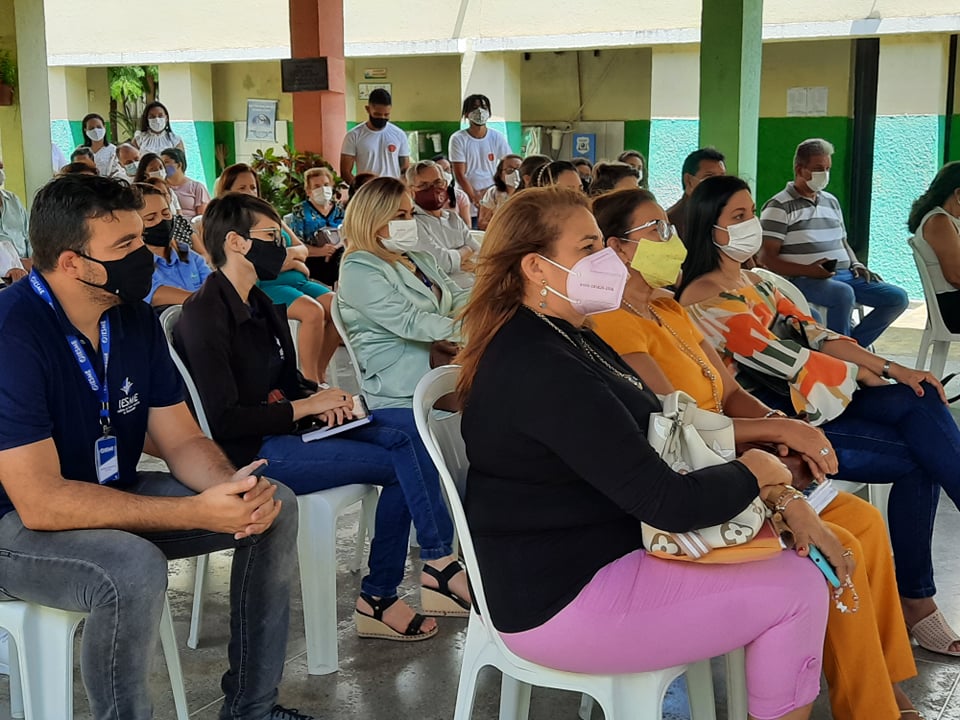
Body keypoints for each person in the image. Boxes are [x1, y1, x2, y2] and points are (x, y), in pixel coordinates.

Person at [456, 185, 831, 720]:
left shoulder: (564, 334)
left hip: (598, 551)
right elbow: (667, 502)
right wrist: (758, 471)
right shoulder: (541, 364)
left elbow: (662, 430)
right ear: (536, 268)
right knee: (798, 590)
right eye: (588, 248)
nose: (607, 259)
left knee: (794, 565)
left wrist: (777, 491)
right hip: (559, 598)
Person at [591, 187, 921, 719]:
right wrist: (773, 438)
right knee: (839, 545)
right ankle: (872, 707)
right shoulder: (611, 321)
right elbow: (673, 423)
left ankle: (881, 686)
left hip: (736, 451)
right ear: (618, 247)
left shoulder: (666, 307)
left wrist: (777, 427)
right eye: (656, 230)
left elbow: (729, 392)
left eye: (669, 228)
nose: (671, 240)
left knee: (864, 522)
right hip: (697, 471)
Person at [0, 174, 313, 720]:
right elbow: (41, 501)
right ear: (72, 263)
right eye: (124, 245)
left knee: (271, 506)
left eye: (141, 238)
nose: (144, 254)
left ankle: (252, 709)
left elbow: (182, 438)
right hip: (17, 526)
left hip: (108, 491)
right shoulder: (13, 331)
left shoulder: (134, 319)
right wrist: (194, 512)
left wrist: (229, 490)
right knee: (132, 567)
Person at [677, 174, 960, 658]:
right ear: (710, 228)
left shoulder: (758, 281)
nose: (751, 225)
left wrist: (890, 368)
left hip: (827, 398)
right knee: (920, 459)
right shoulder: (704, 300)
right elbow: (791, 363)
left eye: (751, 214)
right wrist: (863, 372)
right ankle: (917, 601)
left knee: (922, 394)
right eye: (738, 217)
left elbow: (818, 335)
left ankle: (916, 598)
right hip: (789, 424)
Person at [175, 191, 469, 641]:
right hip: (254, 450)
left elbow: (288, 379)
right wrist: (304, 407)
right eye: (271, 236)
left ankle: (429, 567)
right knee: (402, 464)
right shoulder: (204, 315)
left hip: (294, 427)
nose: (283, 247)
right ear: (235, 242)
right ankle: (397, 586)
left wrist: (325, 397)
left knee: (410, 432)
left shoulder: (259, 302)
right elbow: (225, 421)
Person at [758, 138, 908, 347]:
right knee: (843, 294)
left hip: (846, 274)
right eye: (818, 169)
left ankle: (850, 348)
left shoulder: (831, 201)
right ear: (800, 169)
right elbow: (766, 258)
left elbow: (842, 242)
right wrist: (810, 271)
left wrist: (856, 264)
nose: (825, 174)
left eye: (828, 168)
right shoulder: (779, 206)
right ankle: (842, 354)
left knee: (897, 298)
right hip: (803, 279)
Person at [337, 176, 469, 409]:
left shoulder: (419, 258)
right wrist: (471, 330)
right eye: (400, 216)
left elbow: (456, 296)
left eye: (411, 214)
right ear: (371, 220)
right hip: (400, 382)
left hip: (443, 359)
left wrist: (491, 307)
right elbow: (409, 321)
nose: (410, 222)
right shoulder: (358, 268)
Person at [216, 164, 340, 385]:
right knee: (313, 311)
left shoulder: (269, 215)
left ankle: (320, 372)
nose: (250, 192)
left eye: (253, 187)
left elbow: (301, 249)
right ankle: (309, 381)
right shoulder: (229, 225)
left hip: (298, 281)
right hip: (266, 285)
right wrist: (290, 261)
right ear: (227, 191)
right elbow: (249, 264)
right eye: (242, 188)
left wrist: (286, 258)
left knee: (339, 309)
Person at [407, 160, 480, 289]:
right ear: (411, 190)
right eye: (424, 185)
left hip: (477, 284)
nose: (433, 189)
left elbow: (479, 252)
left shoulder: (453, 218)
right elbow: (441, 263)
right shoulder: (412, 222)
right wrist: (466, 251)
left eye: (438, 182)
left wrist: (459, 258)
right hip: (450, 292)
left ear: (445, 184)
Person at [136, 182, 210, 308]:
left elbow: (215, 286)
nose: (162, 221)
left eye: (166, 214)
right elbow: (154, 294)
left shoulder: (189, 255)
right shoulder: (135, 267)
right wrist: (206, 301)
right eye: (151, 218)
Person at [908, 161, 960, 332]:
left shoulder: (951, 220)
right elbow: (956, 276)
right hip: (952, 307)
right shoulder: (939, 221)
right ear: (958, 194)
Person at [449, 94, 513, 226]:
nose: (479, 111)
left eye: (484, 107)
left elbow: (508, 165)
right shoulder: (458, 139)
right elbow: (460, 174)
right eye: (474, 107)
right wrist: (475, 198)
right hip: (467, 201)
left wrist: (490, 193)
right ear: (466, 114)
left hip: (491, 199)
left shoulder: (497, 137)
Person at [288, 166, 345, 287]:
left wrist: (334, 249)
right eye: (317, 186)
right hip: (313, 259)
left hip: (340, 255)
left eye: (326, 185)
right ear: (308, 191)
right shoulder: (300, 210)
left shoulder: (340, 209)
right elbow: (296, 243)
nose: (323, 189)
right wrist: (321, 251)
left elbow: (349, 234)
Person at [339, 88, 409, 184]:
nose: (382, 118)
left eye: (386, 114)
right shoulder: (353, 135)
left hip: (392, 190)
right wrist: (359, 189)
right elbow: (345, 171)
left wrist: (400, 188)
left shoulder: (399, 134)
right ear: (368, 109)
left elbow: (405, 169)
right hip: (367, 189)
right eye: (377, 114)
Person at [665, 147, 726, 242]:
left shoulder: (722, 216)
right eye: (710, 177)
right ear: (689, 181)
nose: (719, 184)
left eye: (722, 178)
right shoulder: (670, 223)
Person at [161, 148, 210, 220]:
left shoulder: (196, 187)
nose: (162, 167)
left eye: (166, 162)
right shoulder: (160, 187)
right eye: (161, 163)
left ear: (179, 165)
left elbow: (202, 217)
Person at [477, 153, 522, 230]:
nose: (515, 173)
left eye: (519, 170)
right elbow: (483, 223)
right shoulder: (493, 193)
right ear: (500, 174)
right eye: (509, 170)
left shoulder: (528, 193)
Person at [0, 158, 30, 260]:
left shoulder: (13, 199)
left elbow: (29, 234)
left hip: (27, 265)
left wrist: (33, 260)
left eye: (1, 167)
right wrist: (15, 263)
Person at [432, 154, 472, 226]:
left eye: (447, 169)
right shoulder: (425, 197)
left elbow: (467, 226)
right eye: (441, 170)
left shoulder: (460, 196)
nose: (445, 174)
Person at [81, 113, 123, 178]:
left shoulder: (113, 150)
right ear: (85, 130)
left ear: (104, 127)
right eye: (91, 128)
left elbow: (117, 173)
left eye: (99, 127)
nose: (96, 130)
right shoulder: (81, 150)